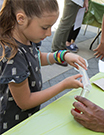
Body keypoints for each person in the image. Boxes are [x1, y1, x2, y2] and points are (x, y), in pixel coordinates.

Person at [0, 0, 88, 134]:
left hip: (26, 117)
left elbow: (38, 57)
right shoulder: (14, 55)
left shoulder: (27, 38)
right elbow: (25, 102)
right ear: (21, 19)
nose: (49, 33)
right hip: (13, 124)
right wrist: (63, 85)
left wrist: (62, 55)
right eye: (45, 27)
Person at [51, 0, 89, 66]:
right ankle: (55, 52)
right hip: (74, 1)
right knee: (65, 25)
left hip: (76, 2)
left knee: (67, 25)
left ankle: (60, 50)